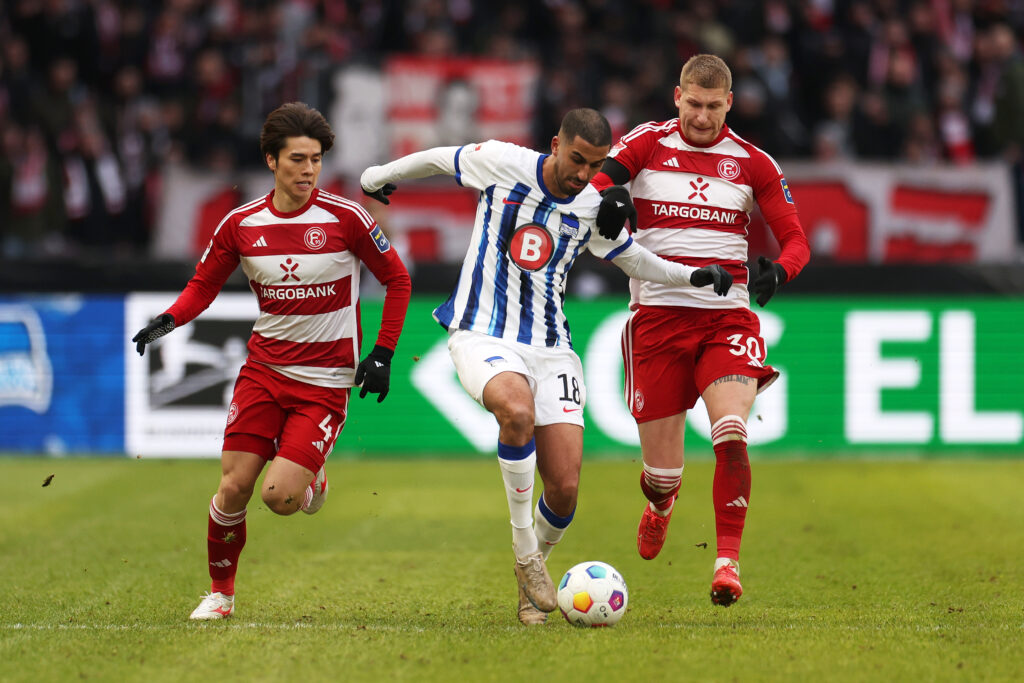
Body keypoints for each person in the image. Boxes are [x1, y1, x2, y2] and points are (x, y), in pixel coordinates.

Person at [360, 108, 732, 625]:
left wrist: (695, 277)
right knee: (515, 412)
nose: (583, 173)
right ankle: (525, 554)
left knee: (564, 489)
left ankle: (530, 580)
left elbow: (636, 260)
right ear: (555, 143)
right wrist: (377, 176)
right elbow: (438, 159)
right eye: (576, 159)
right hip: (482, 332)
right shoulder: (503, 162)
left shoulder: (589, 206)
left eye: (595, 164)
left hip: (552, 347)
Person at [131, 102, 412, 620]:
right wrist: (169, 320)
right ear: (270, 161)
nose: (308, 171)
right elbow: (203, 286)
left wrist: (383, 352)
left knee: (278, 497)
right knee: (233, 486)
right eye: (297, 160)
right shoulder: (241, 225)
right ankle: (221, 595)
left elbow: (398, 280)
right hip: (262, 373)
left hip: (324, 383)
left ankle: (309, 474)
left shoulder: (347, 219)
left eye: (316, 160)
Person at [592, 54, 811, 607]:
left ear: (730, 104)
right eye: (694, 104)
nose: (703, 116)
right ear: (677, 96)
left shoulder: (754, 163)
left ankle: (727, 563)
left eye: (714, 106)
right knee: (661, 476)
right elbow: (589, 191)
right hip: (659, 320)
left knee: (732, 432)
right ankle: (662, 504)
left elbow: (796, 241)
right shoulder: (645, 143)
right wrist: (610, 197)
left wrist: (779, 270)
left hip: (727, 316)